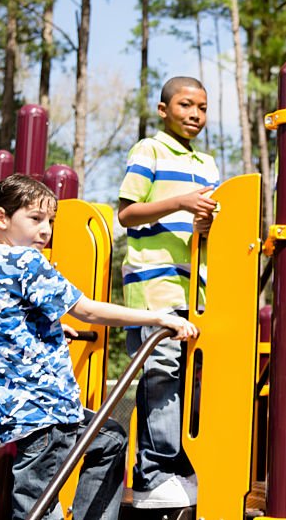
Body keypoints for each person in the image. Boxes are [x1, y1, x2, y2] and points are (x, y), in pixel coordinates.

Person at [0, 174, 199, 520]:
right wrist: (159, 317)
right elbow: (87, 309)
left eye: (50, 221)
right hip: (45, 407)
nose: (45, 231)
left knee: (110, 439)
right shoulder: (26, 261)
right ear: (1, 217)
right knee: (38, 505)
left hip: (8, 408)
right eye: (35, 218)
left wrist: (50, 328)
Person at [117, 76, 219, 509]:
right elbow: (127, 213)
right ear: (163, 110)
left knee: (190, 380)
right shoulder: (150, 150)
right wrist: (180, 202)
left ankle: (179, 467)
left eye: (202, 107)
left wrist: (205, 223)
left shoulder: (208, 164)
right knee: (161, 373)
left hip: (195, 287)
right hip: (154, 285)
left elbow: (206, 226)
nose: (194, 114)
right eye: (185, 105)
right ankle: (152, 473)